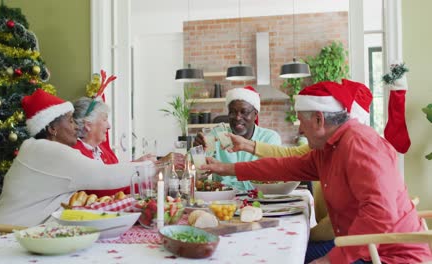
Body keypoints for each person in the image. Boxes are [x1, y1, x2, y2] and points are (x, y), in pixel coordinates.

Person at [201, 81, 432, 263]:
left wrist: (331, 260)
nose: (300, 128)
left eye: (301, 121)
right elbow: (285, 166)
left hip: (386, 256)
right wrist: (228, 168)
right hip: (366, 248)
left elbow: (379, 215)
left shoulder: (359, 144)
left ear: (319, 119)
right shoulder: (329, 148)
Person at [0, 89, 155, 228]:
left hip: (24, 233)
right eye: (70, 121)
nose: (76, 126)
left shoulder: (37, 148)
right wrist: (153, 166)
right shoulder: (47, 151)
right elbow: (106, 176)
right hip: (3, 238)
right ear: (52, 128)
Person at [194, 86, 281, 191]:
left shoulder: (270, 138)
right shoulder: (217, 134)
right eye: (232, 112)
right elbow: (200, 171)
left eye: (244, 112)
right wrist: (198, 151)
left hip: (258, 197)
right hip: (221, 199)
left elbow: (270, 176)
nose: (238, 117)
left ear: (255, 115)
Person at [72, 96, 157, 196]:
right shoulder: (76, 153)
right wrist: (139, 166)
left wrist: (151, 183)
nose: (109, 126)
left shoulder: (103, 152)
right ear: (88, 125)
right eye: (104, 120)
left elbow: (122, 188)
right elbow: (102, 188)